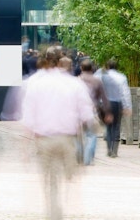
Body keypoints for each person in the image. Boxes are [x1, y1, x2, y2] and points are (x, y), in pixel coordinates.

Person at [21, 46, 95, 220]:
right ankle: (67, 207)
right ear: (62, 59)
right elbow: (86, 114)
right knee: (70, 178)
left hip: (44, 140)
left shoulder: (36, 83)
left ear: (45, 60)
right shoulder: (74, 83)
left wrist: (24, 147)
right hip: (67, 139)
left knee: (48, 178)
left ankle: (52, 208)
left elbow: (29, 117)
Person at [77, 59, 111, 165]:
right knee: (91, 135)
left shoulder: (76, 80)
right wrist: (108, 112)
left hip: (78, 112)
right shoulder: (97, 81)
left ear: (81, 68)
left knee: (78, 135)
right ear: (92, 69)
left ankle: (79, 156)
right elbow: (104, 98)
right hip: (93, 111)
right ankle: (88, 159)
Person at [100, 58, 132, 158]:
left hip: (106, 103)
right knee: (116, 125)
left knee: (108, 126)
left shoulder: (103, 77)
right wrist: (127, 106)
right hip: (117, 103)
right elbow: (125, 93)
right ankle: (115, 150)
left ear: (107, 67)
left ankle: (109, 148)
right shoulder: (121, 77)